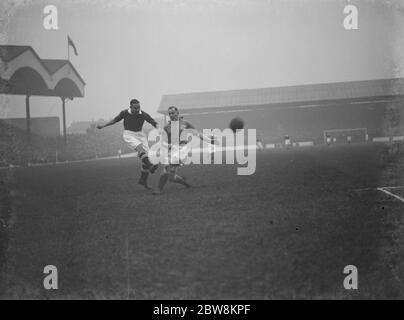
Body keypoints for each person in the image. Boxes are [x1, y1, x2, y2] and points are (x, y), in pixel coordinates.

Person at [97, 98, 159, 189]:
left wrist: (160, 128)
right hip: (129, 134)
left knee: (146, 157)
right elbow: (114, 120)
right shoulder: (124, 113)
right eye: (135, 108)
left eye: (139, 107)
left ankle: (143, 180)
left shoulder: (143, 114)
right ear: (130, 107)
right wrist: (103, 125)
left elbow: (153, 122)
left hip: (141, 134)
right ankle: (151, 166)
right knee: (140, 148)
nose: (137, 110)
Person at [152, 106, 213, 195]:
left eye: (173, 113)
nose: (171, 115)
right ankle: (186, 184)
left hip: (183, 149)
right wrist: (169, 145)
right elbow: (163, 142)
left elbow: (197, 134)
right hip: (172, 150)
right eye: (170, 114)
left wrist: (209, 140)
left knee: (167, 168)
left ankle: (158, 189)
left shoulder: (186, 123)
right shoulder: (166, 127)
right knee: (171, 177)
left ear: (177, 112)